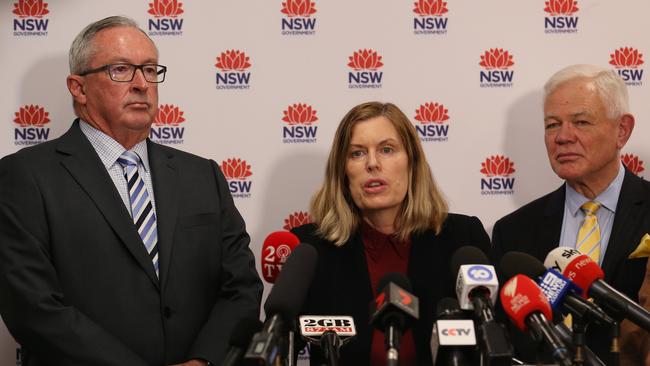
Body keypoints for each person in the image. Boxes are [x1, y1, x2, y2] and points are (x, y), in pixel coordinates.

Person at [0, 16, 262, 366]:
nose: (142, 83)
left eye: (150, 70)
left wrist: (203, 360)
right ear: (78, 87)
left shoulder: (203, 175)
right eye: (121, 70)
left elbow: (241, 287)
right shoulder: (26, 175)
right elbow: (32, 307)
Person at [291, 101, 491, 365]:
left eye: (387, 149)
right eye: (357, 153)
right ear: (342, 171)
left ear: (412, 162)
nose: (372, 164)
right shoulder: (309, 248)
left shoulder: (463, 239)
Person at [491, 64, 650, 364]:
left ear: (622, 130)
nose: (562, 137)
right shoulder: (513, 232)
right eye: (552, 124)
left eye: (581, 122)